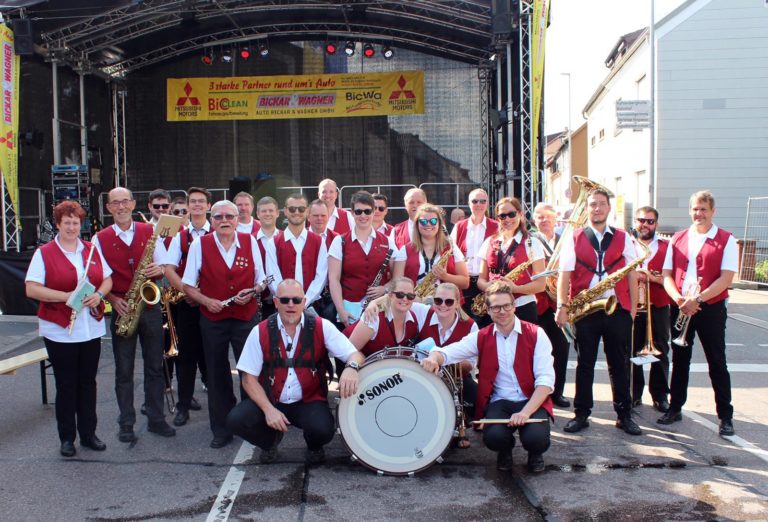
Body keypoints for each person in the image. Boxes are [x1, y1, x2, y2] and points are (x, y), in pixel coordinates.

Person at [226, 279, 365, 464]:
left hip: (308, 400)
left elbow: (355, 355)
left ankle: (314, 448)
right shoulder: (259, 331)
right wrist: (268, 410)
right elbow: (248, 379)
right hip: (272, 399)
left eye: (296, 300)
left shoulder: (321, 326)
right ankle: (270, 442)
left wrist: (352, 368)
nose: (290, 305)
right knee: (236, 420)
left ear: (304, 301)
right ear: (275, 302)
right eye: (284, 300)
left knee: (324, 429)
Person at [421, 281, 554, 473]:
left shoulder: (536, 333)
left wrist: (525, 413)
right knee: (494, 438)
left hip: (530, 398)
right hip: (500, 400)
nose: (502, 311)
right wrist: (434, 356)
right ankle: (504, 450)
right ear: (488, 311)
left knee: (536, 439)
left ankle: (535, 454)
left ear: (514, 306)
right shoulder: (482, 336)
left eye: (506, 305)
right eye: (496, 307)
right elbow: (450, 352)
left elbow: (546, 381)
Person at [25, 200, 113, 457]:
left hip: (89, 328)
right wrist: (65, 296)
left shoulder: (92, 249)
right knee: (66, 385)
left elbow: (107, 279)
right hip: (59, 330)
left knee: (88, 383)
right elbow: (31, 288)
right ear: (58, 224)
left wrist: (98, 294)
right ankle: (67, 438)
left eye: (76, 222)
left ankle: (88, 434)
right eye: (67, 222)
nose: (72, 227)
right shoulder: (44, 253)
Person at [555, 188, 641, 436]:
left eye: (601, 204)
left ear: (608, 208)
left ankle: (624, 415)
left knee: (619, 364)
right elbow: (564, 276)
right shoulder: (574, 237)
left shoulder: (624, 237)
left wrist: (633, 309)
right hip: (585, 310)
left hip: (617, 309)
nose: (597, 208)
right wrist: (563, 306)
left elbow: (632, 275)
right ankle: (581, 414)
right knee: (585, 364)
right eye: (592, 204)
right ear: (587, 208)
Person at [182, 200, 266, 448]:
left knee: (250, 372)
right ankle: (222, 428)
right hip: (213, 319)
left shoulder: (250, 242)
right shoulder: (200, 244)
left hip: (245, 318)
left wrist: (253, 291)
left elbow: (262, 280)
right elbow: (187, 284)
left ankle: (251, 423)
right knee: (217, 374)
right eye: (218, 217)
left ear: (238, 218)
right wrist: (206, 301)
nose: (224, 221)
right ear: (212, 219)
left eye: (229, 216)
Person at [94, 187, 176, 442]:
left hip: (149, 307)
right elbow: (100, 278)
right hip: (122, 307)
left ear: (132, 204)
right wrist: (113, 299)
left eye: (125, 202)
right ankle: (126, 422)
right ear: (108, 208)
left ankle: (156, 418)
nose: (121, 207)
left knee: (154, 367)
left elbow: (164, 266)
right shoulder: (100, 238)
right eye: (115, 203)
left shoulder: (149, 231)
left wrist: (158, 269)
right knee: (124, 371)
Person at [658, 191, 737, 436]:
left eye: (703, 209)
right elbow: (667, 275)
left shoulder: (727, 239)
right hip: (682, 305)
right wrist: (679, 299)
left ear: (712, 211)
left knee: (717, 361)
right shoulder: (678, 238)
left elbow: (726, 278)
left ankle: (725, 416)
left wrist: (698, 299)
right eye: (695, 209)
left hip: (710, 307)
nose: (698, 214)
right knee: (680, 360)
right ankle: (675, 407)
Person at [163, 187, 213, 427]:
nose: (196, 205)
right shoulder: (179, 236)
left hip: (213, 305)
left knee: (213, 357)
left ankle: (219, 404)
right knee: (186, 359)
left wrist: (206, 296)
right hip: (187, 304)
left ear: (208, 206)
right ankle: (183, 407)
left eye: (201, 201)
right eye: (192, 202)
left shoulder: (219, 231)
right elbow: (169, 269)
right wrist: (189, 292)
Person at [328, 191, 398, 328]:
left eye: (367, 211)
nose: (363, 216)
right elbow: (333, 279)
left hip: (380, 309)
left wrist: (384, 288)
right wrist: (341, 310)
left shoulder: (388, 242)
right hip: (349, 310)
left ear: (373, 212)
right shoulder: (339, 241)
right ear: (352, 213)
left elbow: (397, 277)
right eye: (358, 211)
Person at [416, 282, 479, 433]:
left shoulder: (470, 325)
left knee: (479, 400)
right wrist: (374, 303)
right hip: (424, 376)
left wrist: (442, 363)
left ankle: (461, 424)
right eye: (438, 300)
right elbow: (398, 300)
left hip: (457, 380)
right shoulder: (423, 312)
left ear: (457, 303)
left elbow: (471, 363)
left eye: (449, 301)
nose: (442, 305)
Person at [477, 197, 546, 324]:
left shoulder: (532, 243)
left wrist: (515, 288)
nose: (507, 219)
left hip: (522, 307)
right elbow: (481, 280)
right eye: (502, 216)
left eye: (511, 214)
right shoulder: (489, 242)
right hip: (494, 307)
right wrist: (488, 287)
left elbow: (541, 285)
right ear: (498, 219)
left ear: (520, 214)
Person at [631, 206, 671, 412]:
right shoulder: (627, 244)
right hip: (633, 306)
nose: (645, 225)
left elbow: (671, 278)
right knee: (633, 349)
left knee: (661, 351)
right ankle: (634, 393)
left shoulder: (667, 246)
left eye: (650, 221)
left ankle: (660, 395)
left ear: (656, 224)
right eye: (641, 220)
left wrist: (648, 277)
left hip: (659, 305)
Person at [531, 202, 571, 408]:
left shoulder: (566, 240)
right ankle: (536, 392)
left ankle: (558, 392)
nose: (544, 220)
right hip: (537, 303)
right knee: (536, 350)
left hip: (558, 304)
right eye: (540, 217)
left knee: (561, 348)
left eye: (548, 216)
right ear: (533, 220)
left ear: (556, 219)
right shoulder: (530, 241)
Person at [265, 194, 328, 310]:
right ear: (285, 211)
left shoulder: (319, 242)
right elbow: (272, 276)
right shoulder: (273, 243)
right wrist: (286, 301)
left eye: (301, 209)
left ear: (307, 211)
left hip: (312, 306)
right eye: (292, 209)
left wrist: (305, 301)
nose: (296, 212)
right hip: (283, 307)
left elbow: (321, 276)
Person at [393, 203, 469, 294]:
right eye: (423, 221)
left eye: (433, 221)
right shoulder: (405, 250)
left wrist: (446, 276)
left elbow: (465, 283)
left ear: (439, 224)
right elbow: (396, 284)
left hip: (446, 304)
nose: (428, 225)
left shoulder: (451, 248)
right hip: (415, 304)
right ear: (417, 224)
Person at [347, 277, 429, 356]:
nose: (405, 299)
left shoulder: (414, 317)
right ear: (390, 295)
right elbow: (349, 351)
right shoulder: (374, 316)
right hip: (358, 364)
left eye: (410, 296)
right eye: (400, 295)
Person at [450, 188, 499, 318]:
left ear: (487, 203)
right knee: (464, 320)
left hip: (486, 282)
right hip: (464, 282)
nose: (478, 204)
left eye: (482, 201)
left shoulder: (497, 226)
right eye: (475, 201)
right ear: (469, 203)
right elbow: (450, 253)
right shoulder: (459, 226)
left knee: (487, 320)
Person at [255, 196, 279, 318]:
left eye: (271, 210)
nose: (267, 214)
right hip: (258, 302)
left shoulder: (286, 238)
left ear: (278, 213)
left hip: (282, 302)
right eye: (264, 211)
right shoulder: (249, 240)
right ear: (258, 214)